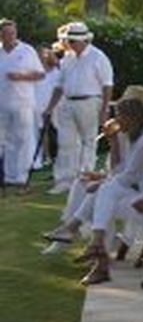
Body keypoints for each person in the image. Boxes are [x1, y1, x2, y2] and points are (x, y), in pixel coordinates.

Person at [78, 94, 143, 285]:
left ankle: (96, 249)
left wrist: (103, 183)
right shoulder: (134, 138)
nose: (116, 120)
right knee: (104, 193)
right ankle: (97, 247)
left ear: (132, 117)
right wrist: (113, 143)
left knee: (104, 193)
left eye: (119, 115)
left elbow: (128, 178)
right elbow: (120, 172)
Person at [43, 21, 114, 193]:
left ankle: (84, 178)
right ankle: (64, 181)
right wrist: (50, 107)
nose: (69, 44)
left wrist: (104, 109)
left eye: (72, 41)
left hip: (89, 102)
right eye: (69, 41)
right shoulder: (67, 58)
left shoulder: (98, 57)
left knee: (88, 141)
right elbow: (59, 85)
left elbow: (107, 85)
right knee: (65, 142)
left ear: (83, 41)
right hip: (67, 102)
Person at [1, 18, 45, 194]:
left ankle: (23, 176)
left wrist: (22, 77)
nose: (10, 36)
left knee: (24, 138)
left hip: (23, 102)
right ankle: (10, 176)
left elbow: (40, 74)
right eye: (6, 33)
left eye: (12, 33)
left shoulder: (27, 51)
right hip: (2, 104)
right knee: (6, 141)